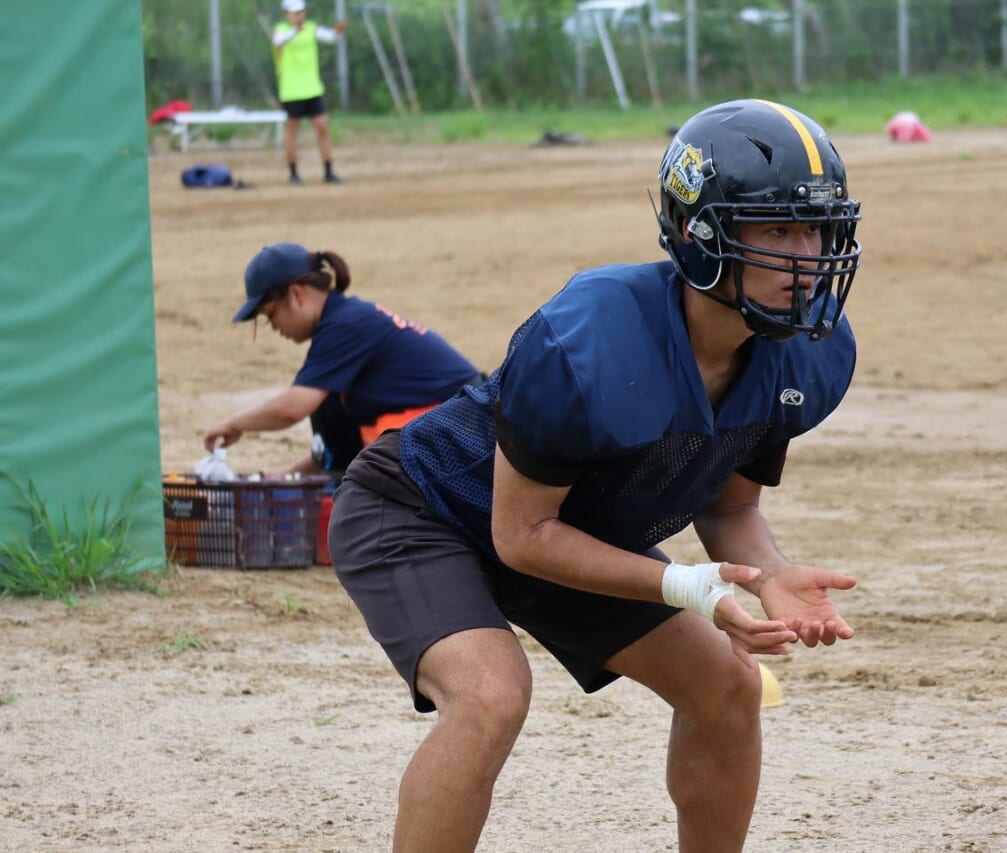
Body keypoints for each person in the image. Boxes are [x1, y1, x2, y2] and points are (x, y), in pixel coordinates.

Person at [328, 98, 862, 851]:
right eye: (776, 228)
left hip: (563, 527)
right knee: (490, 695)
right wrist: (689, 585)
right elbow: (521, 536)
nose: (806, 256)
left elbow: (730, 502)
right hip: (424, 507)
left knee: (727, 688)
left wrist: (767, 570)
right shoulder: (591, 338)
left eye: (817, 227)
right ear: (698, 231)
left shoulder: (806, 353)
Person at [203, 243, 483, 478]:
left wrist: (234, 424)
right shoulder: (340, 327)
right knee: (333, 418)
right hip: (455, 429)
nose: (273, 326)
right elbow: (334, 457)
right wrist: (270, 478)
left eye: (270, 313)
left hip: (466, 432)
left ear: (296, 294)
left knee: (366, 496)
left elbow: (292, 409)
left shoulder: (345, 325)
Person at [272, 0, 346, 185]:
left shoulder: (310, 28)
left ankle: (328, 171)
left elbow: (330, 37)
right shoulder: (280, 30)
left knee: (322, 126)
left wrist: (337, 31)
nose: (299, 16)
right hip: (291, 91)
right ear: (285, 14)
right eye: (295, 13)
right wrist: (295, 31)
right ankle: (293, 173)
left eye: (301, 12)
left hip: (312, 88)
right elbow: (278, 41)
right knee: (292, 131)